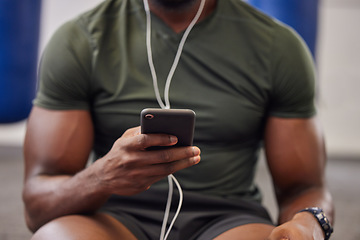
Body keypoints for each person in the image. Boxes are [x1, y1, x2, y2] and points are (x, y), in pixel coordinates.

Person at [23, 0, 334, 239]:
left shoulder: (277, 47)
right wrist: (101, 177)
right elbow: (37, 206)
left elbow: (304, 186)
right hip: (113, 217)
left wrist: (311, 221)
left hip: (227, 219)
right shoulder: (80, 41)